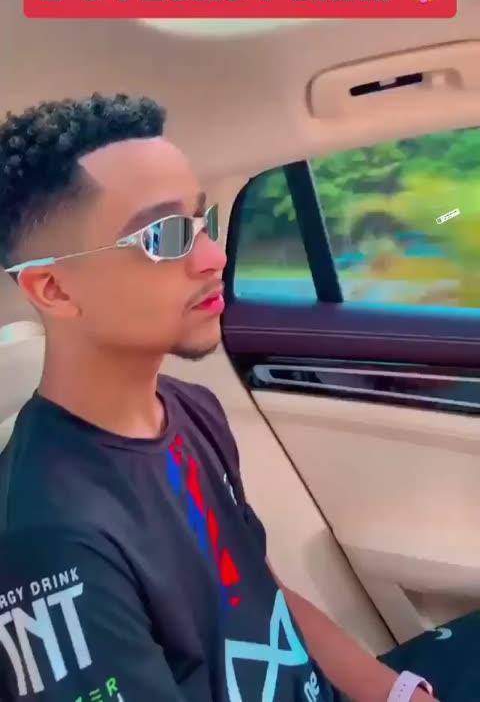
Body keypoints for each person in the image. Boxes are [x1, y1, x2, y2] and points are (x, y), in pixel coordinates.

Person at [0, 93, 437, 701]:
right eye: (165, 236)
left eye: (203, 222)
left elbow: (262, 592)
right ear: (53, 289)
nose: (214, 256)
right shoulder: (44, 535)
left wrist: (399, 692)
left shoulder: (190, 409)